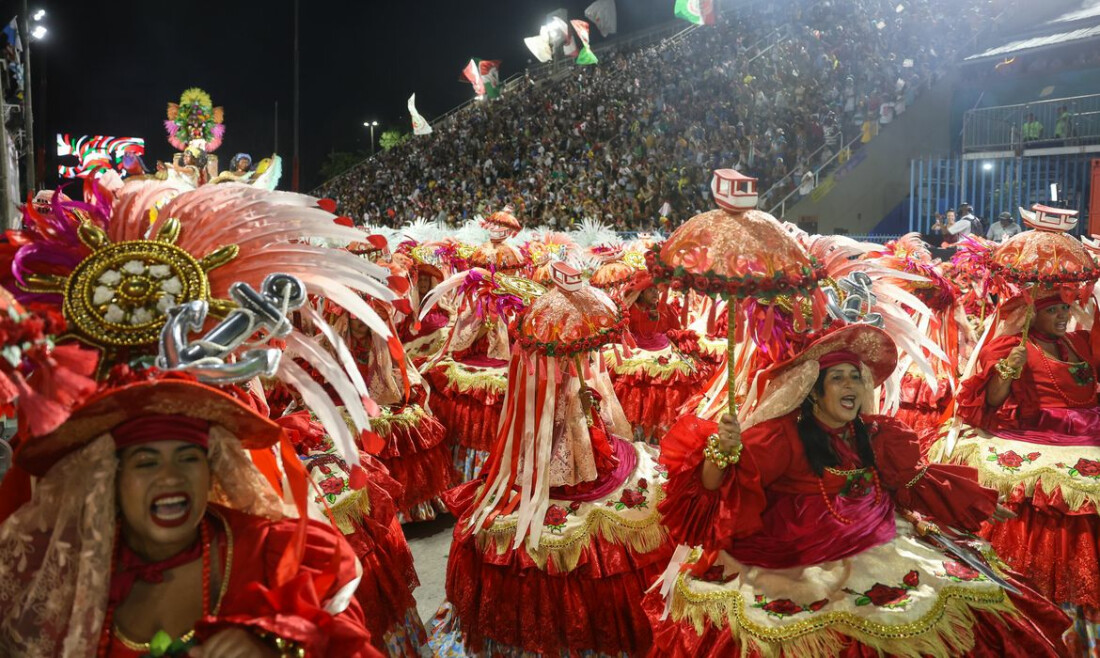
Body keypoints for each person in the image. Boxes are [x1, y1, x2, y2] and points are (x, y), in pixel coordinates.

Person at [644, 324, 1070, 656]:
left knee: (972, 599)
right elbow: (714, 493)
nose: (851, 386)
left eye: (855, 377)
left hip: (879, 538)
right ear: (813, 392)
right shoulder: (778, 437)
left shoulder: (874, 433)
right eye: (838, 379)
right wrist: (721, 453)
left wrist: (975, 500)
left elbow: (912, 481)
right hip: (795, 561)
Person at [0, 378, 380, 658]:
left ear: (212, 471)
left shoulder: (283, 555)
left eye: (188, 458)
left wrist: (280, 649)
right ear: (110, 479)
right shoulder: (65, 579)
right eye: (146, 462)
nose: (171, 477)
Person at [945, 289, 1100, 653]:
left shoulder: (1078, 342)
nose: (1063, 316)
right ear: (1032, 315)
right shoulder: (1014, 347)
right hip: (1038, 437)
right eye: (1053, 310)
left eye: (1065, 308)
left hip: (1089, 435)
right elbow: (992, 401)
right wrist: (1007, 369)